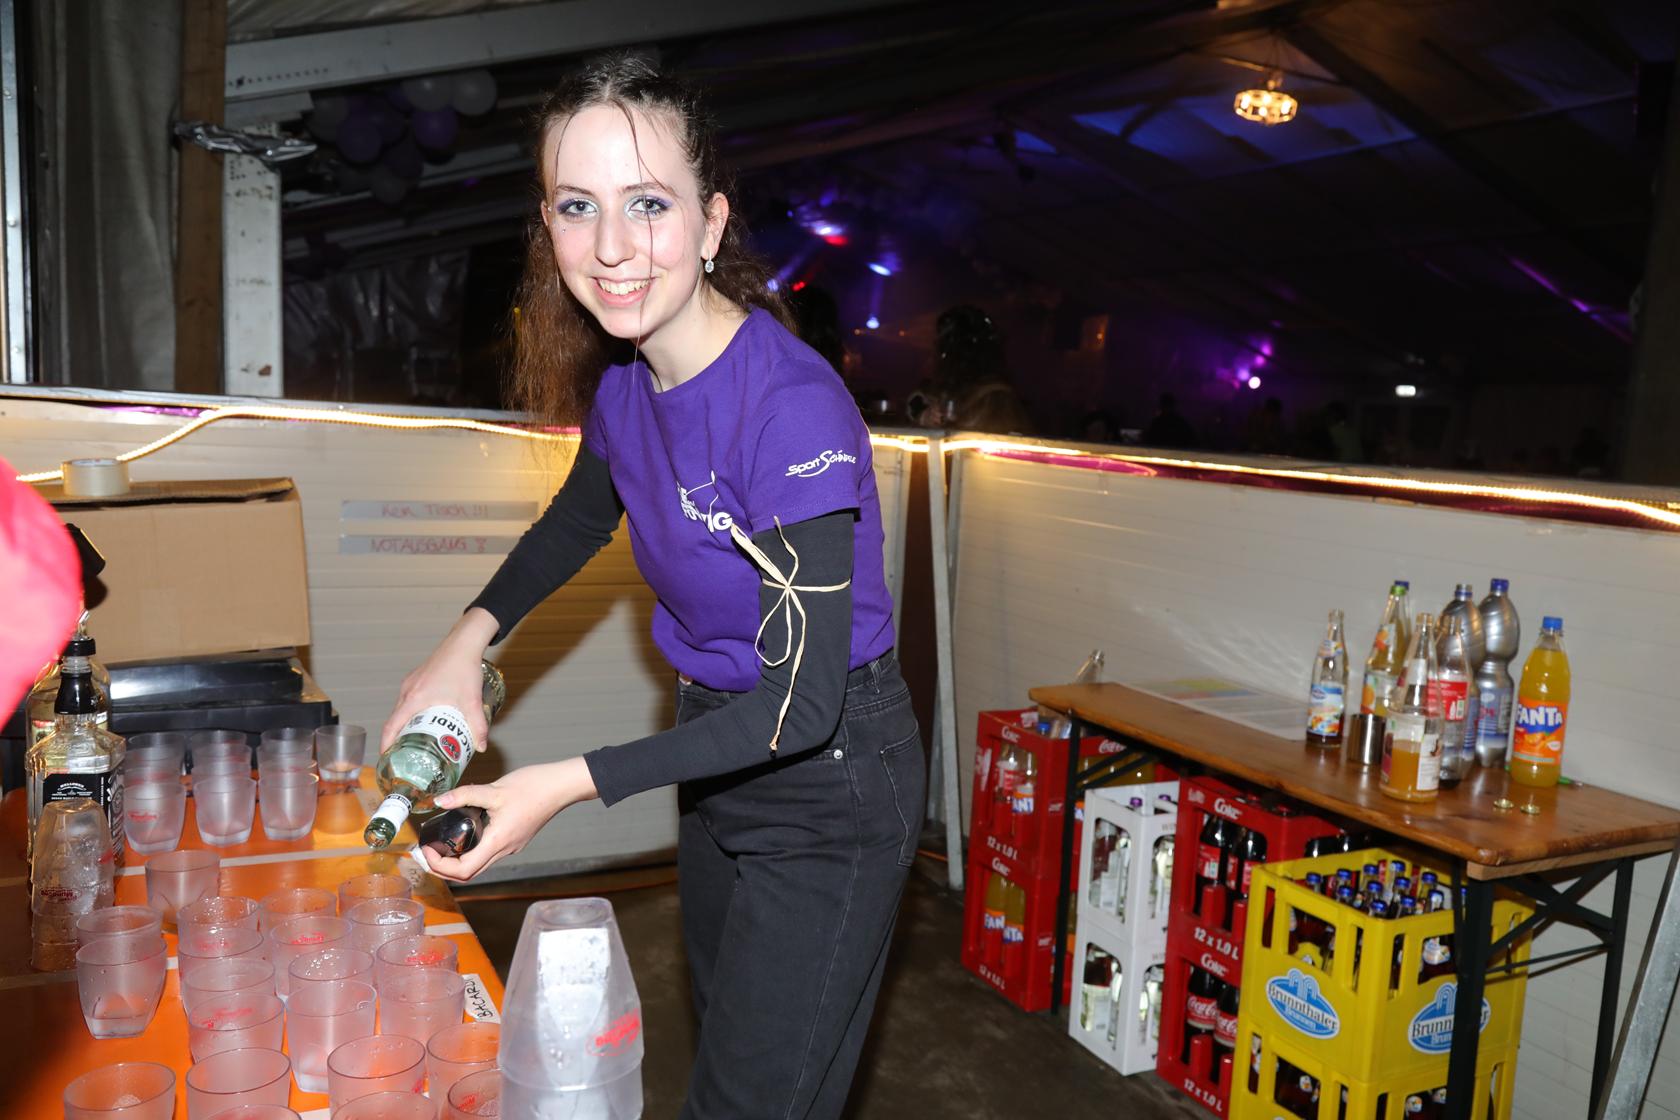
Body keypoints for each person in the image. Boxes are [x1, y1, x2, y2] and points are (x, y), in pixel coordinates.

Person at [378, 55, 924, 1120]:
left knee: (751, 1100)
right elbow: (578, 519)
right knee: (729, 1041)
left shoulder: (791, 408)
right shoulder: (629, 385)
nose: (612, 247)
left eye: (649, 204)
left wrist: (554, 785)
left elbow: (800, 706)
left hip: (829, 774)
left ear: (711, 223)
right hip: (715, 748)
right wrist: (464, 641)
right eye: (578, 206)